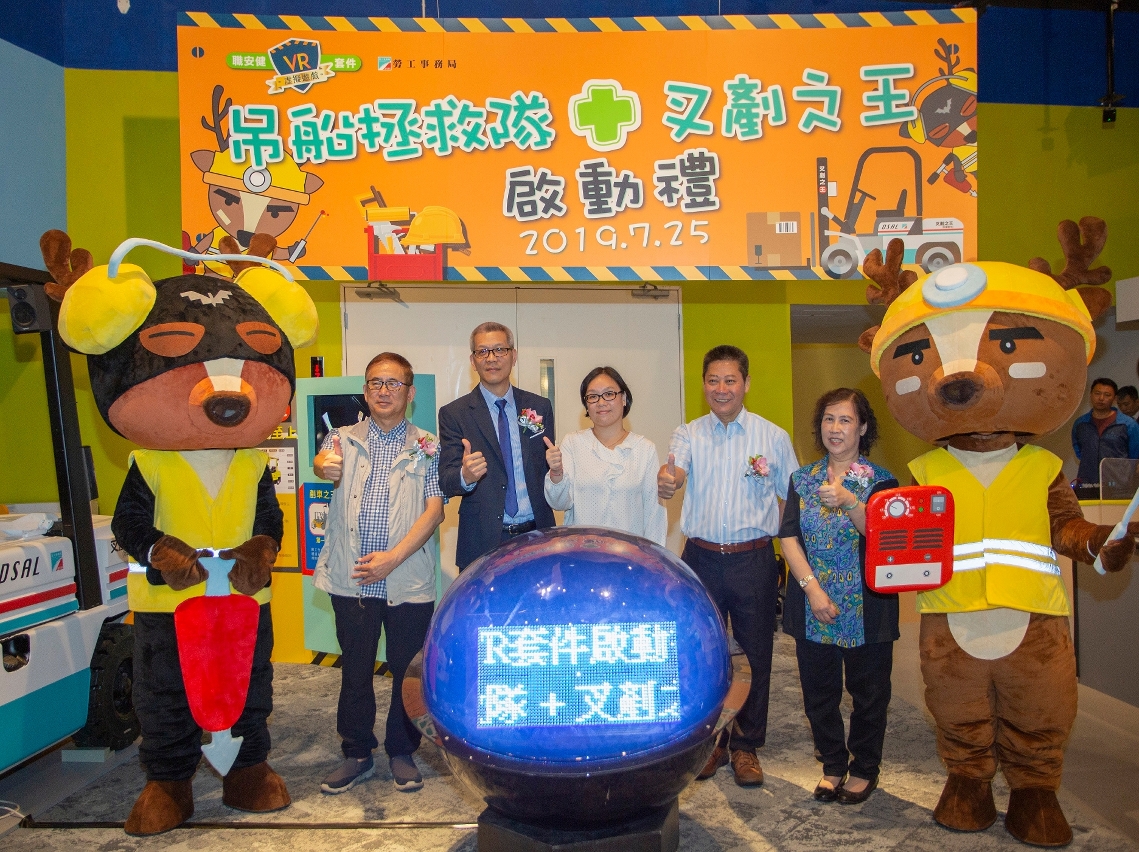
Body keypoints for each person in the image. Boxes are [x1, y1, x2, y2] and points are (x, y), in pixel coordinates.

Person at [658, 344, 798, 787]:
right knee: (705, 654)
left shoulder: (772, 437)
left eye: (730, 380)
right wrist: (669, 480)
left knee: (756, 654)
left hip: (754, 558)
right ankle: (712, 742)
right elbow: (676, 471)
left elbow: (792, 498)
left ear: (746, 384)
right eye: (713, 380)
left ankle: (746, 746)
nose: (721, 389)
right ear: (704, 385)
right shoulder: (688, 433)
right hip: (700, 559)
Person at [312, 352, 445, 795]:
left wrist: (393, 557)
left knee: (406, 670)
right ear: (365, 392)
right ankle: (356, 752)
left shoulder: (428, 444)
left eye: (393, 383)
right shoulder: (341, 437)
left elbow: (434, 510)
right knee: (354, 670)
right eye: (375, 383)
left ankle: (402, 750)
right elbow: (324, 463)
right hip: (352, 579)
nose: (384, 391)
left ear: (410, 392)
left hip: (407, 578)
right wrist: (322, 466)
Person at [778, 388, 899, 805]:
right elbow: (788, 537)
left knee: (869, 695)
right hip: (814, 603)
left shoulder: (880, 481)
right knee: (819, 694)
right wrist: (812, 590)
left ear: (862, 428)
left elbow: (884, 539)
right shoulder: (803, 478)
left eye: (845, 420)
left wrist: (850, 502)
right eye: (829, 419)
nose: (835, 428)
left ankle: (864, 769)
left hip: (869, 605)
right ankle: (832, 764)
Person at [438, 321, 555, 569]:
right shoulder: (455, 414)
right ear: (473, 361)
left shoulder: (538, 407)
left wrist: (557, 472)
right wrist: (465, 476)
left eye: (500, 350)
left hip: (536, 536)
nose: (491, 358)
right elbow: (446, 481)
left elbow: (546, 471)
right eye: (483, 351)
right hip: (482, 540)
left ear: (514, 356)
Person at [543, 367, 667, 545]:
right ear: (586, 404)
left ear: (623, 398)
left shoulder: (644, 449)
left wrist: (653, 557)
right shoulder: (573, 443)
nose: (601, 402)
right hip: (583, 552)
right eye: (593, 396)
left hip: (630, 555)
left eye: (609, 394)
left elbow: (655, 514)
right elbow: (559, 503)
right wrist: (556, 473)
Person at [1070, 377, 1139, 487]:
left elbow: (1134, 457)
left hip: (1119, 486)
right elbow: (1079, 452)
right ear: (1090, 395)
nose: (1101, 398)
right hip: (1087, 483)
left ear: (1114, 399)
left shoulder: (1128, 424)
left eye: (1107, 395)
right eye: (1097, 393)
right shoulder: (1080, 424)